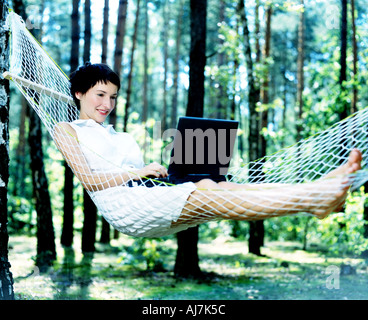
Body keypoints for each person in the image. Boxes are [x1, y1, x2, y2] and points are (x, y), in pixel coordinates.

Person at [54, 63, 362, 237]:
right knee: (209, 195)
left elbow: (138, 175)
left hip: (147, 194)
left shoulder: (117, 135)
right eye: (100, 94)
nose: (107, 104)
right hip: (124, 208)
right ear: (79, 93)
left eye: (113, 96)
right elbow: (91, 181)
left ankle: (316, 192)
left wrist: (164, 170)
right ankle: (315, 199)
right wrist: (137, 172)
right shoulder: (66, 130)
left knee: (213, 183)